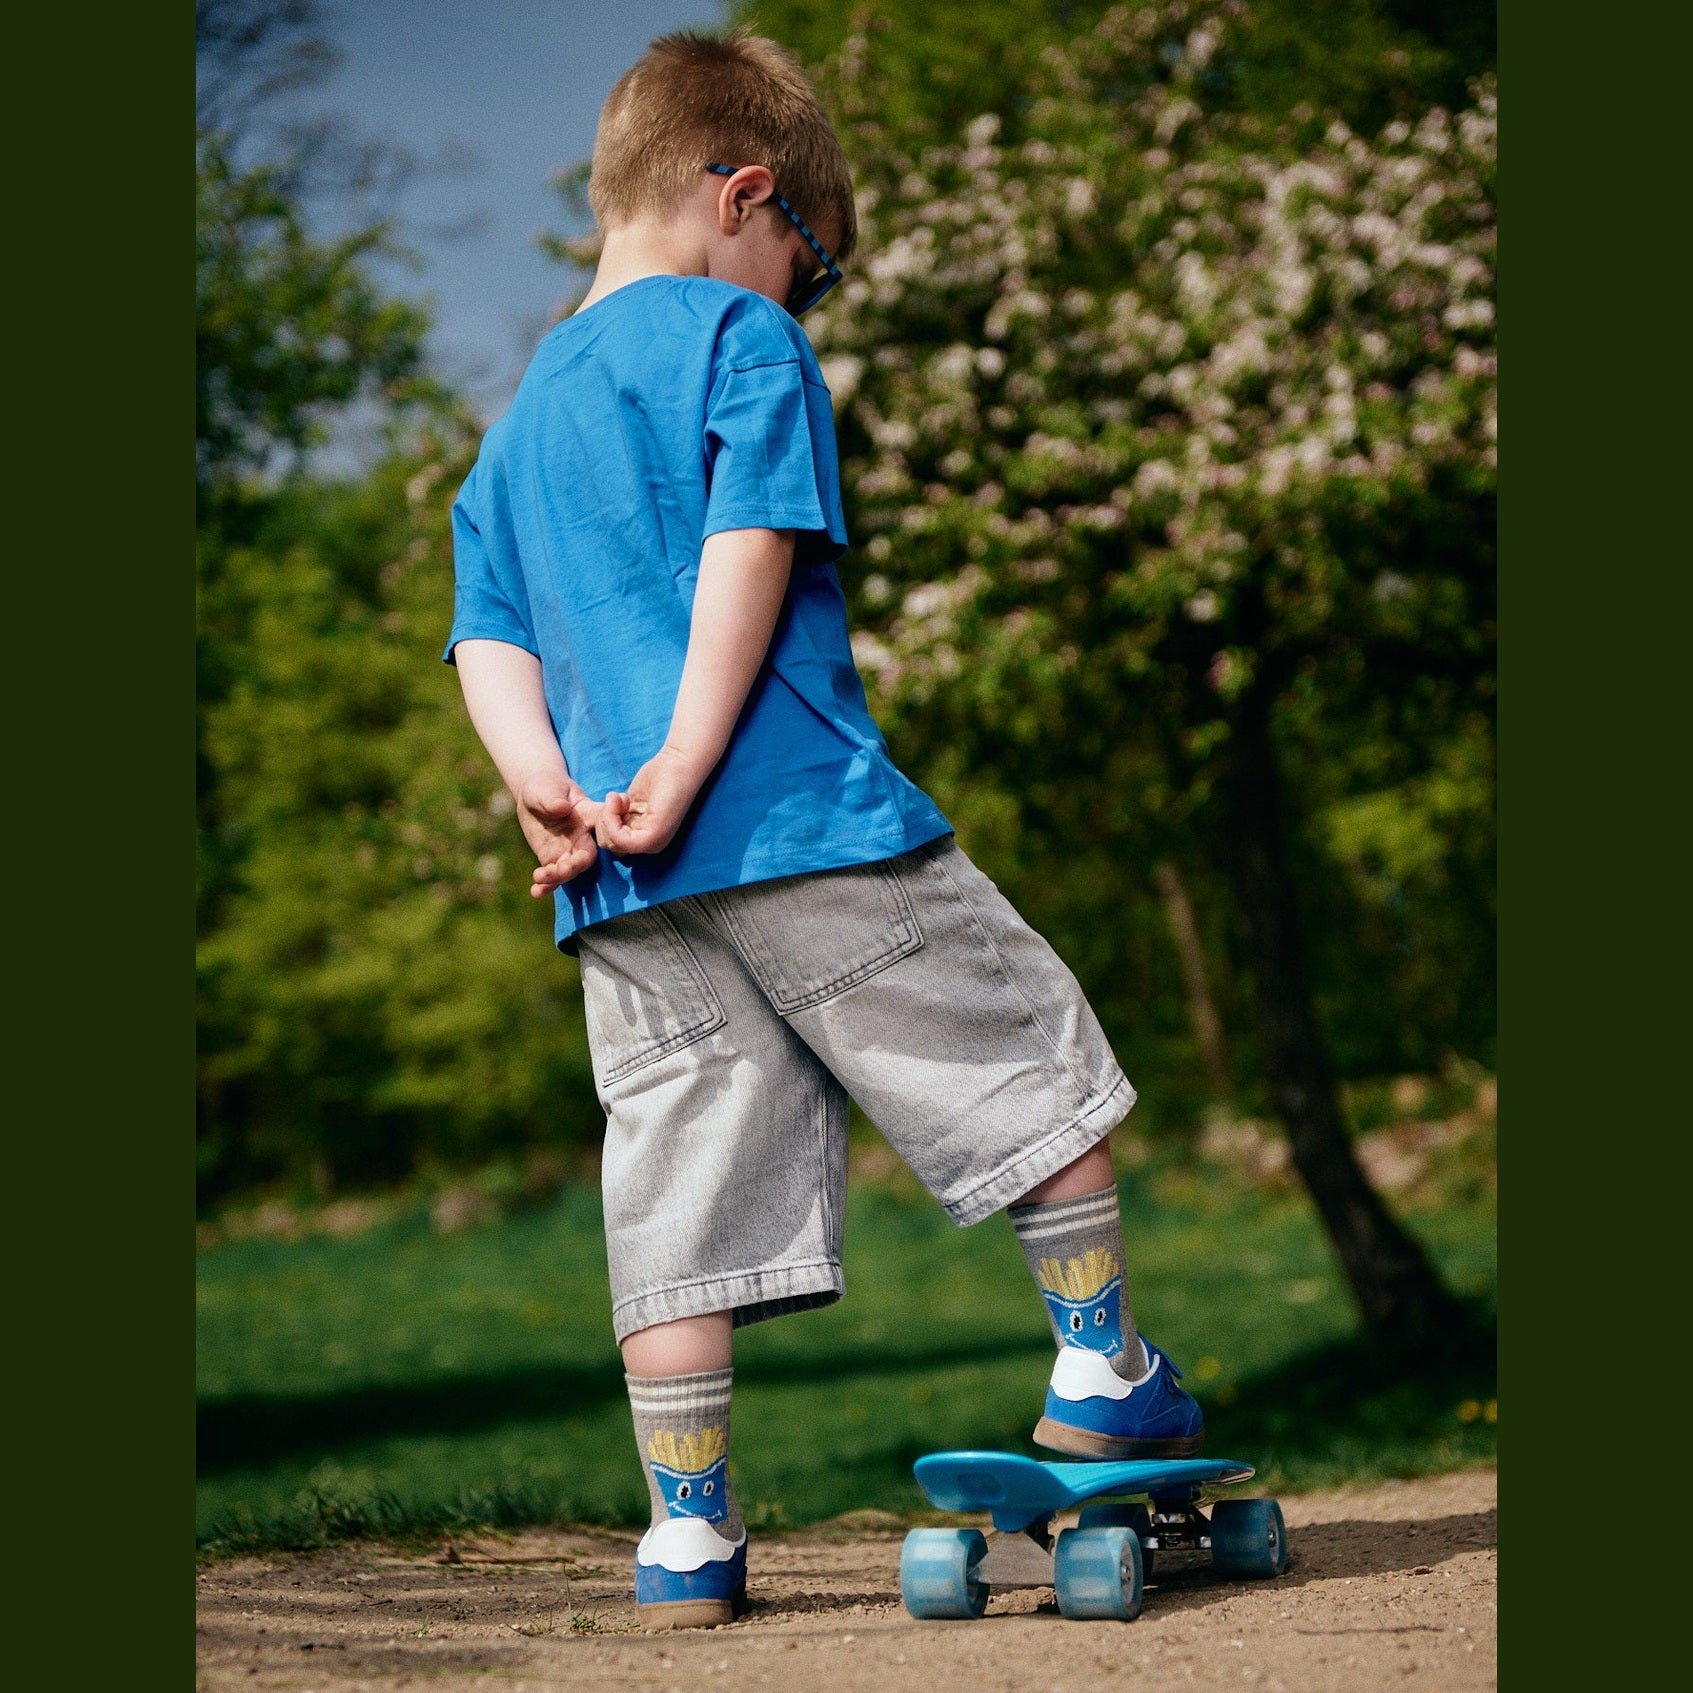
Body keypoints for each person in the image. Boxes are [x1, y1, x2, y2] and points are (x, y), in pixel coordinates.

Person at [444, 27, 1203, 1631]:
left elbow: (487, 636)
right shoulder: (740, 337)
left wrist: (547, 784)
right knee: (1018, 1046)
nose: (809, 294)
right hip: (795, 815)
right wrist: (687, 756)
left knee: (674, 1189)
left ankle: (686, 1533)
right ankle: (1101, 1366)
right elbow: (749, 546)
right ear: (744, 196)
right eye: (816, 261)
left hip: (623, 880)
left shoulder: (515, 425)